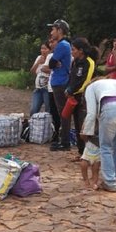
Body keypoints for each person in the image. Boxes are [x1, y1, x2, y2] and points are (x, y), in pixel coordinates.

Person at [81, 78, 116, 192]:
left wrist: (86, 132)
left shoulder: (90, 88)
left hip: (111, 108)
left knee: (105, 147)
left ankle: (110, 183)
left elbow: (91, 113)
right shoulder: (115, 82)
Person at [65, 38, 97, 156]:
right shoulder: (74, 62)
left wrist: (73, 90)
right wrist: (68, 89)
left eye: (73, 49)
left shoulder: (89, 62)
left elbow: (86, 81)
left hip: (85, 98)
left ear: (81, 50)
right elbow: (72, 78)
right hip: (74, 98)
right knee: (77, 125)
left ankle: (90, 153)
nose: (71, 52)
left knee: (85, 125)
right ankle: (81, 152)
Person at [46, 19, 72, 151]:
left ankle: (65, 141)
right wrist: (54, 63)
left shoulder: (62, 45)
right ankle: (64, 139)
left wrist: (54, 63)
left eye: (53, 29)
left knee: (63, 112)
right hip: (59, 81)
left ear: (60, 30)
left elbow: (51, 63)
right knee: (61, 112)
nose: (51, 32)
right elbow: (52, 63)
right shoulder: (63, 45)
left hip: (60, 82)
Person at [29, 41, 52, 116]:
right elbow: (32, 71)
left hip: (47, 89)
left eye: (45, 49)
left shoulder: (52, 58)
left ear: (50, 50)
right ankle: (32, 124)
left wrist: (46, 69)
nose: (43, 50)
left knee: (48, 109)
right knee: (34, 109)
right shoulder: (39, 58)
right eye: (42, 48)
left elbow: (55, 71)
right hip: (38, 88)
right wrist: (38, 62)